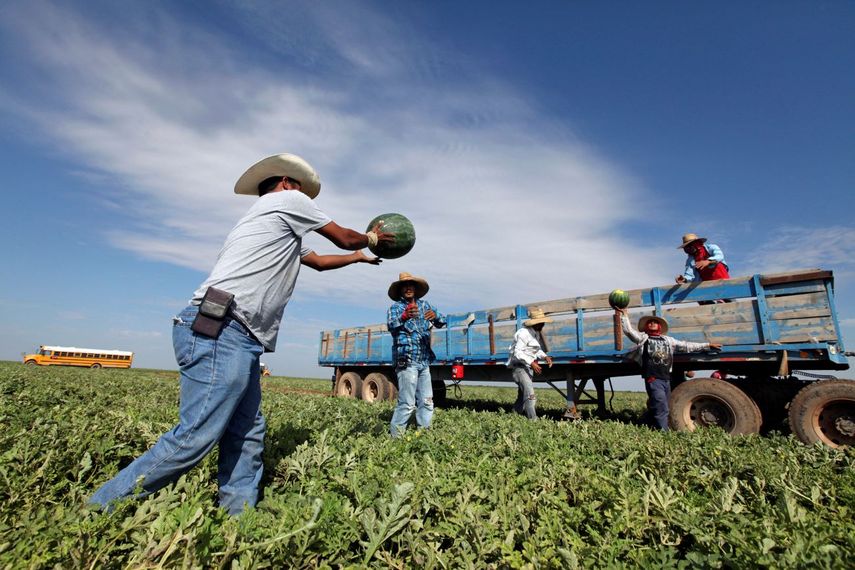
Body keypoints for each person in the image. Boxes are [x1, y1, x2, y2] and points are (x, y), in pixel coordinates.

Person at [89, 153, 392, 515]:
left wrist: (358, 257)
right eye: (302, 190)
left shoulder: (274, 226)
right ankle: (95, 510)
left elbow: (320, 261)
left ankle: (238, 518)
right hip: (222, 327)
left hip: (236, 334)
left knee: (248, 431)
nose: (307, 199)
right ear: (286, 183)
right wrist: (373, 237)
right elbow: (342, 237)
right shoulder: (287, 202)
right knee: (194, 437)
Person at [618, 308, 721, 430]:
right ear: (646, 327)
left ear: (660, 326)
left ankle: (643, 424)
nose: (652, 323)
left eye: (655, 322)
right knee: (661, 406)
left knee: (661, 405)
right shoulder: (643, 338)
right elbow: (629, 331)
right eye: (649, 322)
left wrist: (706, 345)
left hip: (666, 378)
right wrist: (624, 315)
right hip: (653, 378)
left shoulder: (668, 340)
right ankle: (663, 432)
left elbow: (686, 346)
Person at [387, 272, 446, 437]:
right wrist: (404, 316)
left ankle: (423, 435)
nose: (408, 288)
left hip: (424, 361)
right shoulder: (396, 308)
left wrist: (436, 317)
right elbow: (391, 326)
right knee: (406, 403)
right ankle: (396, 439)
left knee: (427, 402)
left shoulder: (425, 305)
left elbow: (442, 320)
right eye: (404, 286)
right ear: (400, 290)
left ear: (415, 288)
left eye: (410, 285)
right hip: (406, 359)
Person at [506, 307, 554, 420]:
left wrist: (545, 356)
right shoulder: (523, 333)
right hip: (520, 368)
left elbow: (536, 350)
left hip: (527, 368)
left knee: (522, 395)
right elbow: (518, 353)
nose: (543, 324)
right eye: (542, 322)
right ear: (536, 323)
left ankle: (514, 415)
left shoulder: (535, 334)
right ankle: (533, 421)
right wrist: (531, 362)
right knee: (530, 395)